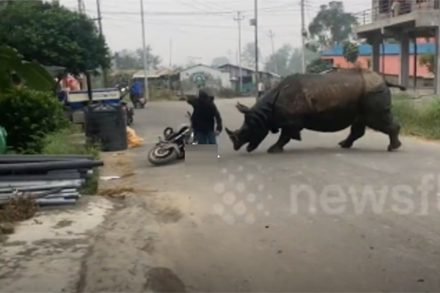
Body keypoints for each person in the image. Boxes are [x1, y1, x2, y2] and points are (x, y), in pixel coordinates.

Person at [187, 89, 223, 158]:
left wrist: (193, 95)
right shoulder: (212, 105)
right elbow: (218, 117)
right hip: (209, 127)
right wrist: (219, 128)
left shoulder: (197, 102)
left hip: (199, 128)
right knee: (212, 142)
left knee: (202, 143)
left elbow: (189, 100)